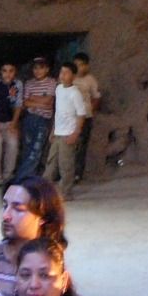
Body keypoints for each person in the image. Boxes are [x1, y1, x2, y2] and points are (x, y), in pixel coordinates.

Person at [43, 61, 88, 197]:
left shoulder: (75, 93)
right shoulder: (58, 89)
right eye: (61, 72)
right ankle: (44, 189)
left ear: (73, 76)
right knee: (51, 162)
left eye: (66, 73)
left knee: (66, 164)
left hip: (68, 134)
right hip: (58, 133)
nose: (62, 75)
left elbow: (81, 114)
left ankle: (65, 192)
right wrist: (53, 130)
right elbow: (59, 112)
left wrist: (76, 133)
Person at [14, 56, 56, 179]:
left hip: (43, 120)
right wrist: (40, 101)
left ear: (47, 69)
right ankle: (28, 175)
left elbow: (48, 101)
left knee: (36, 149)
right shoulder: (29, 83)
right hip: (30, 118)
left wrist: (33, 99)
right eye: (35, 68)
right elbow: (24, 102)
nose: (38, 71)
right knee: (27, 148)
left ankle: (23, 175)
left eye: (41, 68)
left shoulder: (52, 82)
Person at [70, 52, 101, 183]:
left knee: (81, 146)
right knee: (67, 146)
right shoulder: (68, 78)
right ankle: (65, 173)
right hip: (69, 117)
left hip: (85, 117)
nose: (78, 68)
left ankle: (77, 173)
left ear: (87, 66)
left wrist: (90, 111)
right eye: (76, 65)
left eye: (81, 65)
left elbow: (96, 98)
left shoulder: (90, 80)